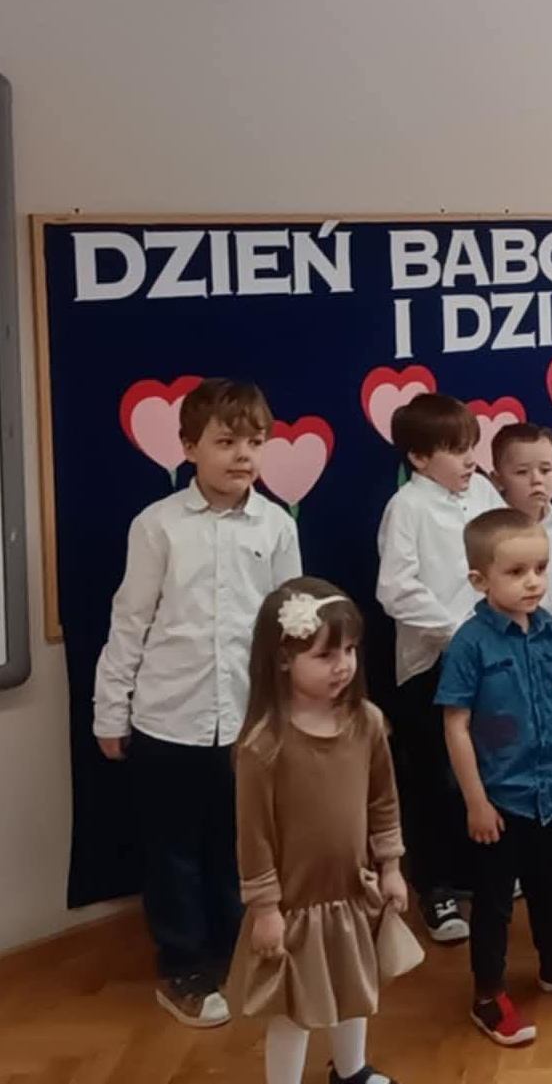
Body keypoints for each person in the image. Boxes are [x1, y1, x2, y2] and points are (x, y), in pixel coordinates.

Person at [93, 378, 300, 1027]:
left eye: (255, 442)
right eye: (226, 442)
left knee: (239, 844)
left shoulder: (276, 525)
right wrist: (110, 709)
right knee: (174, 850)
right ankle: (184, 966)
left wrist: (293, 709)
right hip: (169, 717)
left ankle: (239, 953)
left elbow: (290, 622)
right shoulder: (157, 526)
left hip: (246, 719)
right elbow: (130, 620)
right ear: (189, 448)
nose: (243, 455)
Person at [228, 579, 422, 1084]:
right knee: (294, 1012)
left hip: (352, 893)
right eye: (325, 654)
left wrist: (391, 866)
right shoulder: (263, 745)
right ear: (284, 658)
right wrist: (265, 909)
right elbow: (254, 835)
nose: (343, 665)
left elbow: (383, 800)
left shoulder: (367, 723)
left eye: (350, 650)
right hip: (295, 906)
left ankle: (351, 1071)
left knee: (355, 988)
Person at [438, 509, 552, 1047]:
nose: (533, 581)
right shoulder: (470, 644)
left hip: (549, 794)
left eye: (540, 568)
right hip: (500, 802)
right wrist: (476, 802)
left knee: (550, 891)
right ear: (480, 580)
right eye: (516, 572)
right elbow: (456, 725)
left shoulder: (549, 631)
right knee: (494, 904)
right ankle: (488, 994)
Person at [375, 393, 505, 946]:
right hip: (433, 664)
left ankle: (477, 867)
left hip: (490, 658)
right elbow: (396, 589)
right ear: (419, 457)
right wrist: (457, 633)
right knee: (434, 777)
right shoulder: (407, 507)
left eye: (471, 446)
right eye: (454, 450)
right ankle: (435, 885)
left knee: (480, 770)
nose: (469, 459)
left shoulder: (484, 493)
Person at [489, 422, 552, 869]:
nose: (536, 481)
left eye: (546, 470)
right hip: (505, 658)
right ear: (498, 478)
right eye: (522, 472)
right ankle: (506, 843)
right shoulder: (487, 533)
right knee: (509, 745)